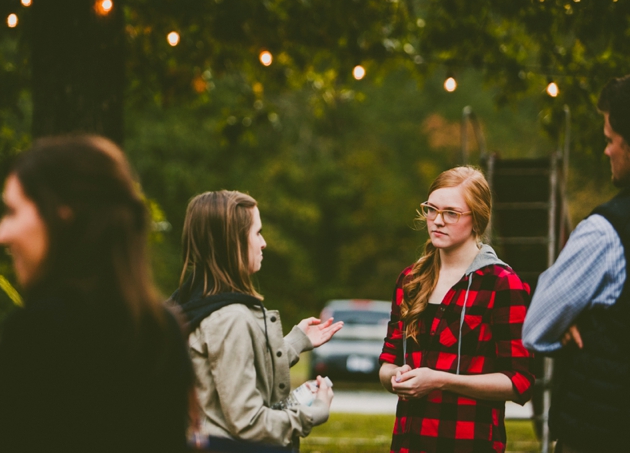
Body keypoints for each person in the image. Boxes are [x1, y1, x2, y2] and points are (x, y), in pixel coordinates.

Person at [0, 136, 193, 452]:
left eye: (13, 212)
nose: (0, 234)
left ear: (63, 214)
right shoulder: (161, 332)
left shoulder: (41, 332)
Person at [169, 190, 343, 451]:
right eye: (257, 233)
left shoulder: (193, 301)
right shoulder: (229, 317)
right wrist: (315, 411)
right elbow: (248, 422)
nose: (263, 244)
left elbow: (227, 371)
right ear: (234, 243)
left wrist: (295, 342)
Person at [378, 166, 534, 453]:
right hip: (409, 442)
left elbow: (519, 381)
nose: (437, 221)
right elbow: (387, 363)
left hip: (469, 442)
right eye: (431, 210)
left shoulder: (501, 284)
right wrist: (396, 377)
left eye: (451, 213)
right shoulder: (410, 280)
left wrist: (441, 381)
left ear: (477, 220)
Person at [522, 75, 630, 453]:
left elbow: (536, 327)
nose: (606, 152)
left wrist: (577, 315)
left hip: (603, 432)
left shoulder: (605, 231)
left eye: (609, 140)